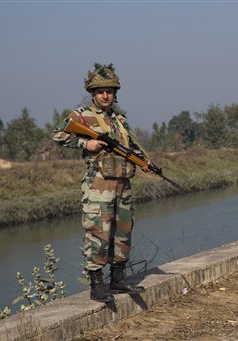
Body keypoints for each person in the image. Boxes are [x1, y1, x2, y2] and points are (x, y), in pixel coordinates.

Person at [52, 63, 147, 302]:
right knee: (98, 233)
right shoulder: (82, 115)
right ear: (93, 93)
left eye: (110, 91)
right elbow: (58, 134)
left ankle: (118, 279)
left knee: (123, 231)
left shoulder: (119, 119)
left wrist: (143, 160)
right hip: (98, 186)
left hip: (122, 185)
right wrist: (86, 144)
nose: (106, 95)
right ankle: (97, 285)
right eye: (100, 91)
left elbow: (130, 147)